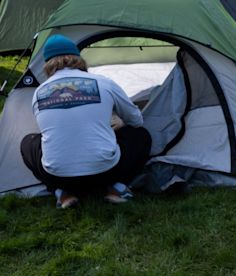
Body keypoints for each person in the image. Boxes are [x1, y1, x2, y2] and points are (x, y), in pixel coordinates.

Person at [20, 34, 152, 209]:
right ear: (79, 59)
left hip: (59, 176)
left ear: (47, 65)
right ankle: (116, 189)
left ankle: (63, 194)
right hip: (107, 172)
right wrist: (114, 127)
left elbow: (52, 131)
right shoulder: (104, 82)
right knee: (140, 135)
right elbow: (136, 120)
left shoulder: (39, 92)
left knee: (28, 142)